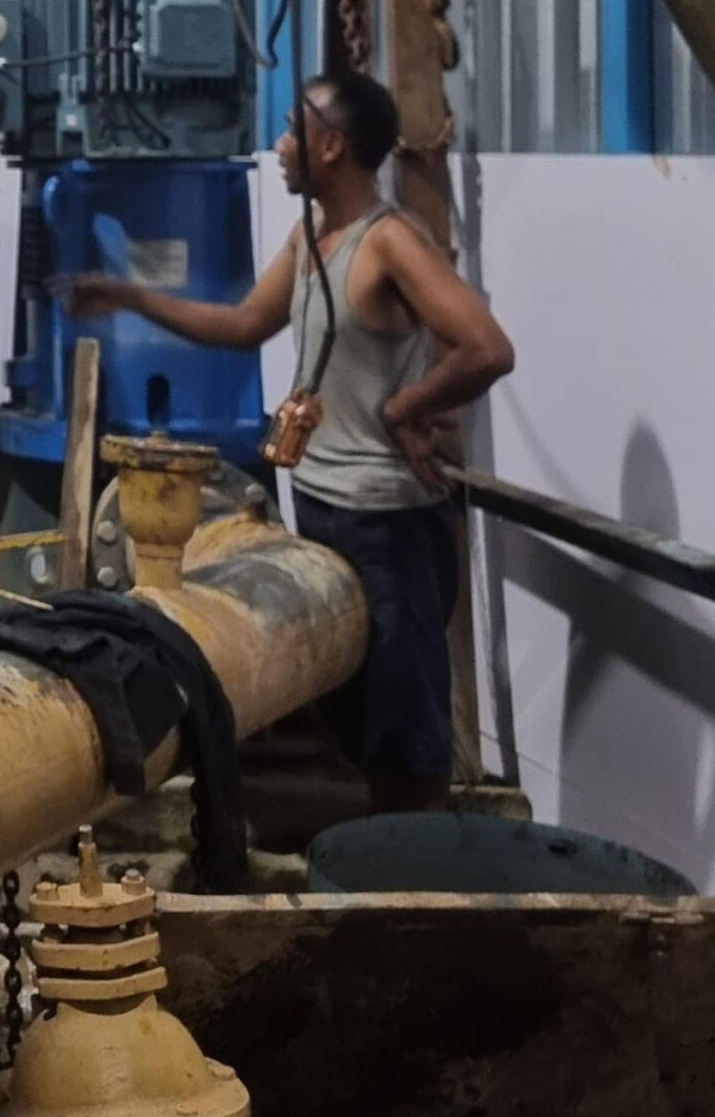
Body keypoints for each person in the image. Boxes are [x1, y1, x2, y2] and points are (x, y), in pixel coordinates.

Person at [63, 69, 515, 814]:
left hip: (389, 521)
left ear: (332, 146)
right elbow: (244, 325)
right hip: (325, 505)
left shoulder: (390, 241)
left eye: (291, 129)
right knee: (357, 709)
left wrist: (407, 407)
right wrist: (128, 296)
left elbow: (487, 348)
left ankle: (414, 875)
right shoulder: (313, 239)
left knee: (407, 721)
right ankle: (377, 848)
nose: (279, 146)